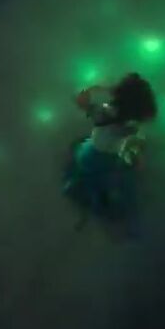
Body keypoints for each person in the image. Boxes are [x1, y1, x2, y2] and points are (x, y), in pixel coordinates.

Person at [62, 72, 158, 237]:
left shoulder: (104, 112)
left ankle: (92, 202)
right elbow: (135, 144)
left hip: (93, 154)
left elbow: (79, 99)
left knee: (85, 173)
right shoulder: (133, 122)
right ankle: (128, 222)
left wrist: (96, 88)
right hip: (114, 159)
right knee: (118, 185)